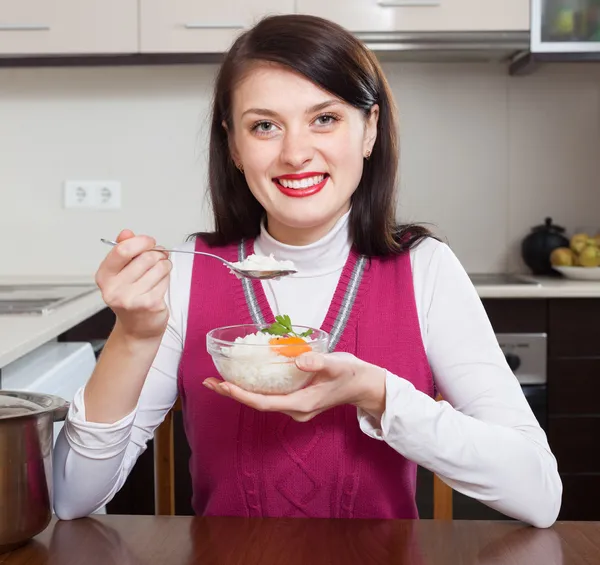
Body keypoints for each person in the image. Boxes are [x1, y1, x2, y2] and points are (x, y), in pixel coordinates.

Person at [53, 14, 562, 527]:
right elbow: (72, 498)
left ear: (370, 130)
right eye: (265, 126)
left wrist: (379, 394)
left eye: (325, 118)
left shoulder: (424, 269)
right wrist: (134, 335)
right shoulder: (189, 272)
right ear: (233, 146)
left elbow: (538, 495)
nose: (295, 154)